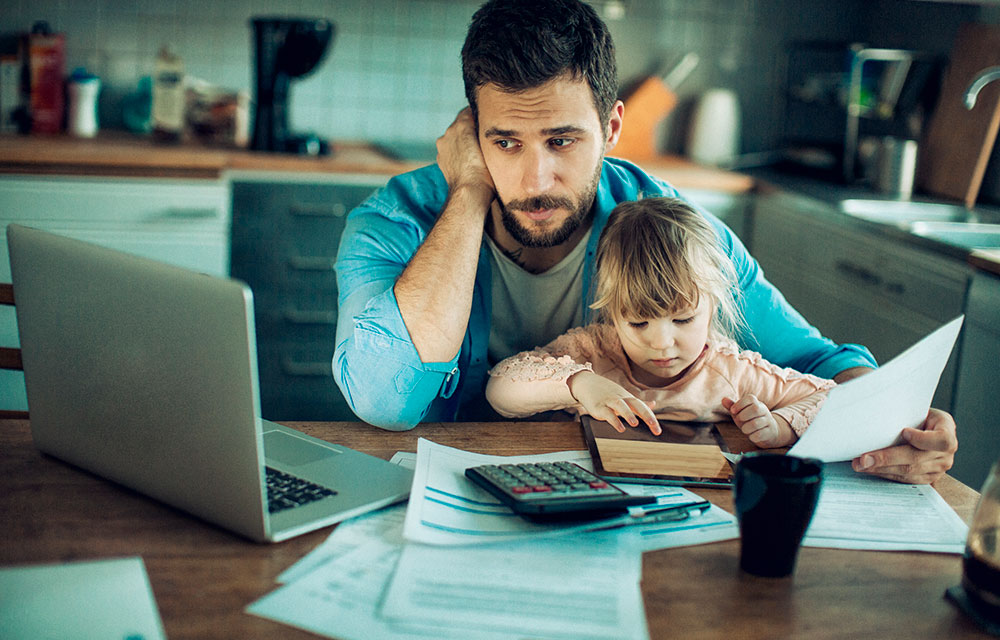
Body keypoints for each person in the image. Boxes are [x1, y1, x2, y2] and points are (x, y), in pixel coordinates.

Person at [333, 0, 957, 484]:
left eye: (562, 141)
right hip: (442, 497)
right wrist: (468, 193)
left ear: (610, 127)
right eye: (505, 142)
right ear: (471, 132)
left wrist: (889, 425)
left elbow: (817, 362)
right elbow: (387, 400)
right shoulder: (397, 220)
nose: (534, 180)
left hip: (614, 503)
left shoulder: (666, 228)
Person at [486, 197, 836, 448]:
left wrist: (779, 426)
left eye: (683, 319)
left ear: (713, 306)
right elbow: (499, 390)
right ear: (613, 311)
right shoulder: (593, 351)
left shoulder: (733, 372)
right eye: (639, 323)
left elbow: (832, 398)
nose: (662, 343)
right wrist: (579, 384)